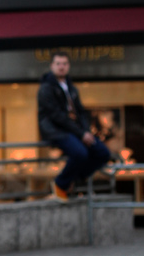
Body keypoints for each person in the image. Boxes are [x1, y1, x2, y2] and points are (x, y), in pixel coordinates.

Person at [37, 52, 111, 201]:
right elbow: (57, 116)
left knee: (103, 153)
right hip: (56, 131)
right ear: (52, 66)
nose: (61, 67)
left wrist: (86, 131)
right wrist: (81, 134)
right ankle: (60, 184)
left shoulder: (72, 88)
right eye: (58, 63)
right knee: (80, 153)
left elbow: (81, 112)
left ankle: (72, 180)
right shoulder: (45, 88)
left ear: (68, 66)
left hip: (76, 131)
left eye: (64, 63)